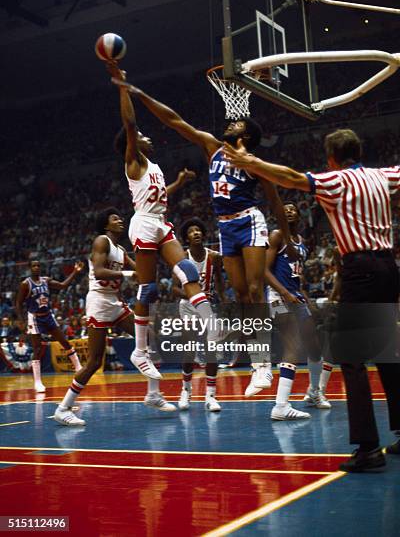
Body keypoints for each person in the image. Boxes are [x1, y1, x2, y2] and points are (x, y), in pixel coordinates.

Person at [224, 128, 400, 472]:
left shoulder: (336, 181)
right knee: (389, 352)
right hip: (388, 267)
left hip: (360, 269)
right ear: (359, 151)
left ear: (331, 159)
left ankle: (367, 448)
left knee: (351, 358)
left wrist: (251, 162)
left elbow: (290, 178)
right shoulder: (383, 176)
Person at [110, 76, 294, 393]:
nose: (230, 124)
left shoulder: (255, 162)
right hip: (225, 225)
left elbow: (275, 200)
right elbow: (175, 121)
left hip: (249, 220)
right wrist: (142, 95)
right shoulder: (213, 147)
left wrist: (287, 236)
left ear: (247, 135)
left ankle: (262, 365)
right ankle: (256, 362)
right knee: (240, 295)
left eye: (237, 124)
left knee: (253, 289)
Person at [108, 65, 223, 412]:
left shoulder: (153, 168)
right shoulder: (133, 160)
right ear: (131, 144)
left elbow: (155, 194)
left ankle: (211, 324)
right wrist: (124, 87)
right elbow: (130, 125)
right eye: (141, 136)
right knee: (148, 289)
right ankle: (140, 350)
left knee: (188, 268)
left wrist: (179, 184)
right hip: (142, 224)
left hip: (158, 220)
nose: (146, 137)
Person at [261, 202, 332, 420]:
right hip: (277, 297)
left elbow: (296, 277)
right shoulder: (276, 236)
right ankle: (280, 405)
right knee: (292, 344)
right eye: (285, 209)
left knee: (314, 347)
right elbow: (263, 270)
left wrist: (305, 299)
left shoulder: (302, 242)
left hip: (296, 296)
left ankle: (314, 392)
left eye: (293, 209)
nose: (289, 211)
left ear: (299, 215)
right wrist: (285, 293)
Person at [172, 217, 226, 412]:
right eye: (191, 231)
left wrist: (224, 300)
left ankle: (210, 396)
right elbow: (175, 289)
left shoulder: (214, 257)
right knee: (189, 350)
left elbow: (220, 281)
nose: (195, 233)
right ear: (186, 238)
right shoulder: (182, 259)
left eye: (198, 230)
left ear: (203, 234)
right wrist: (195, 295)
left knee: (212, 351)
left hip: (209, 307)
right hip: (188, 306)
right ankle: (186, 390)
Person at [15, 259, 84, 393]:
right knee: (38, 348)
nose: (36, 267)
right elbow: (18, 304)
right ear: (29, 268)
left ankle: (79, 368)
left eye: (38, 265)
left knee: (64, 341)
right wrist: (21, 320)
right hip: (34, 318)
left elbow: (63, 285)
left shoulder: (46, 280)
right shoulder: (25, 284)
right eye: (33, 265)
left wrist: (75, 271)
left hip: (48, 315)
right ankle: (37, 382)